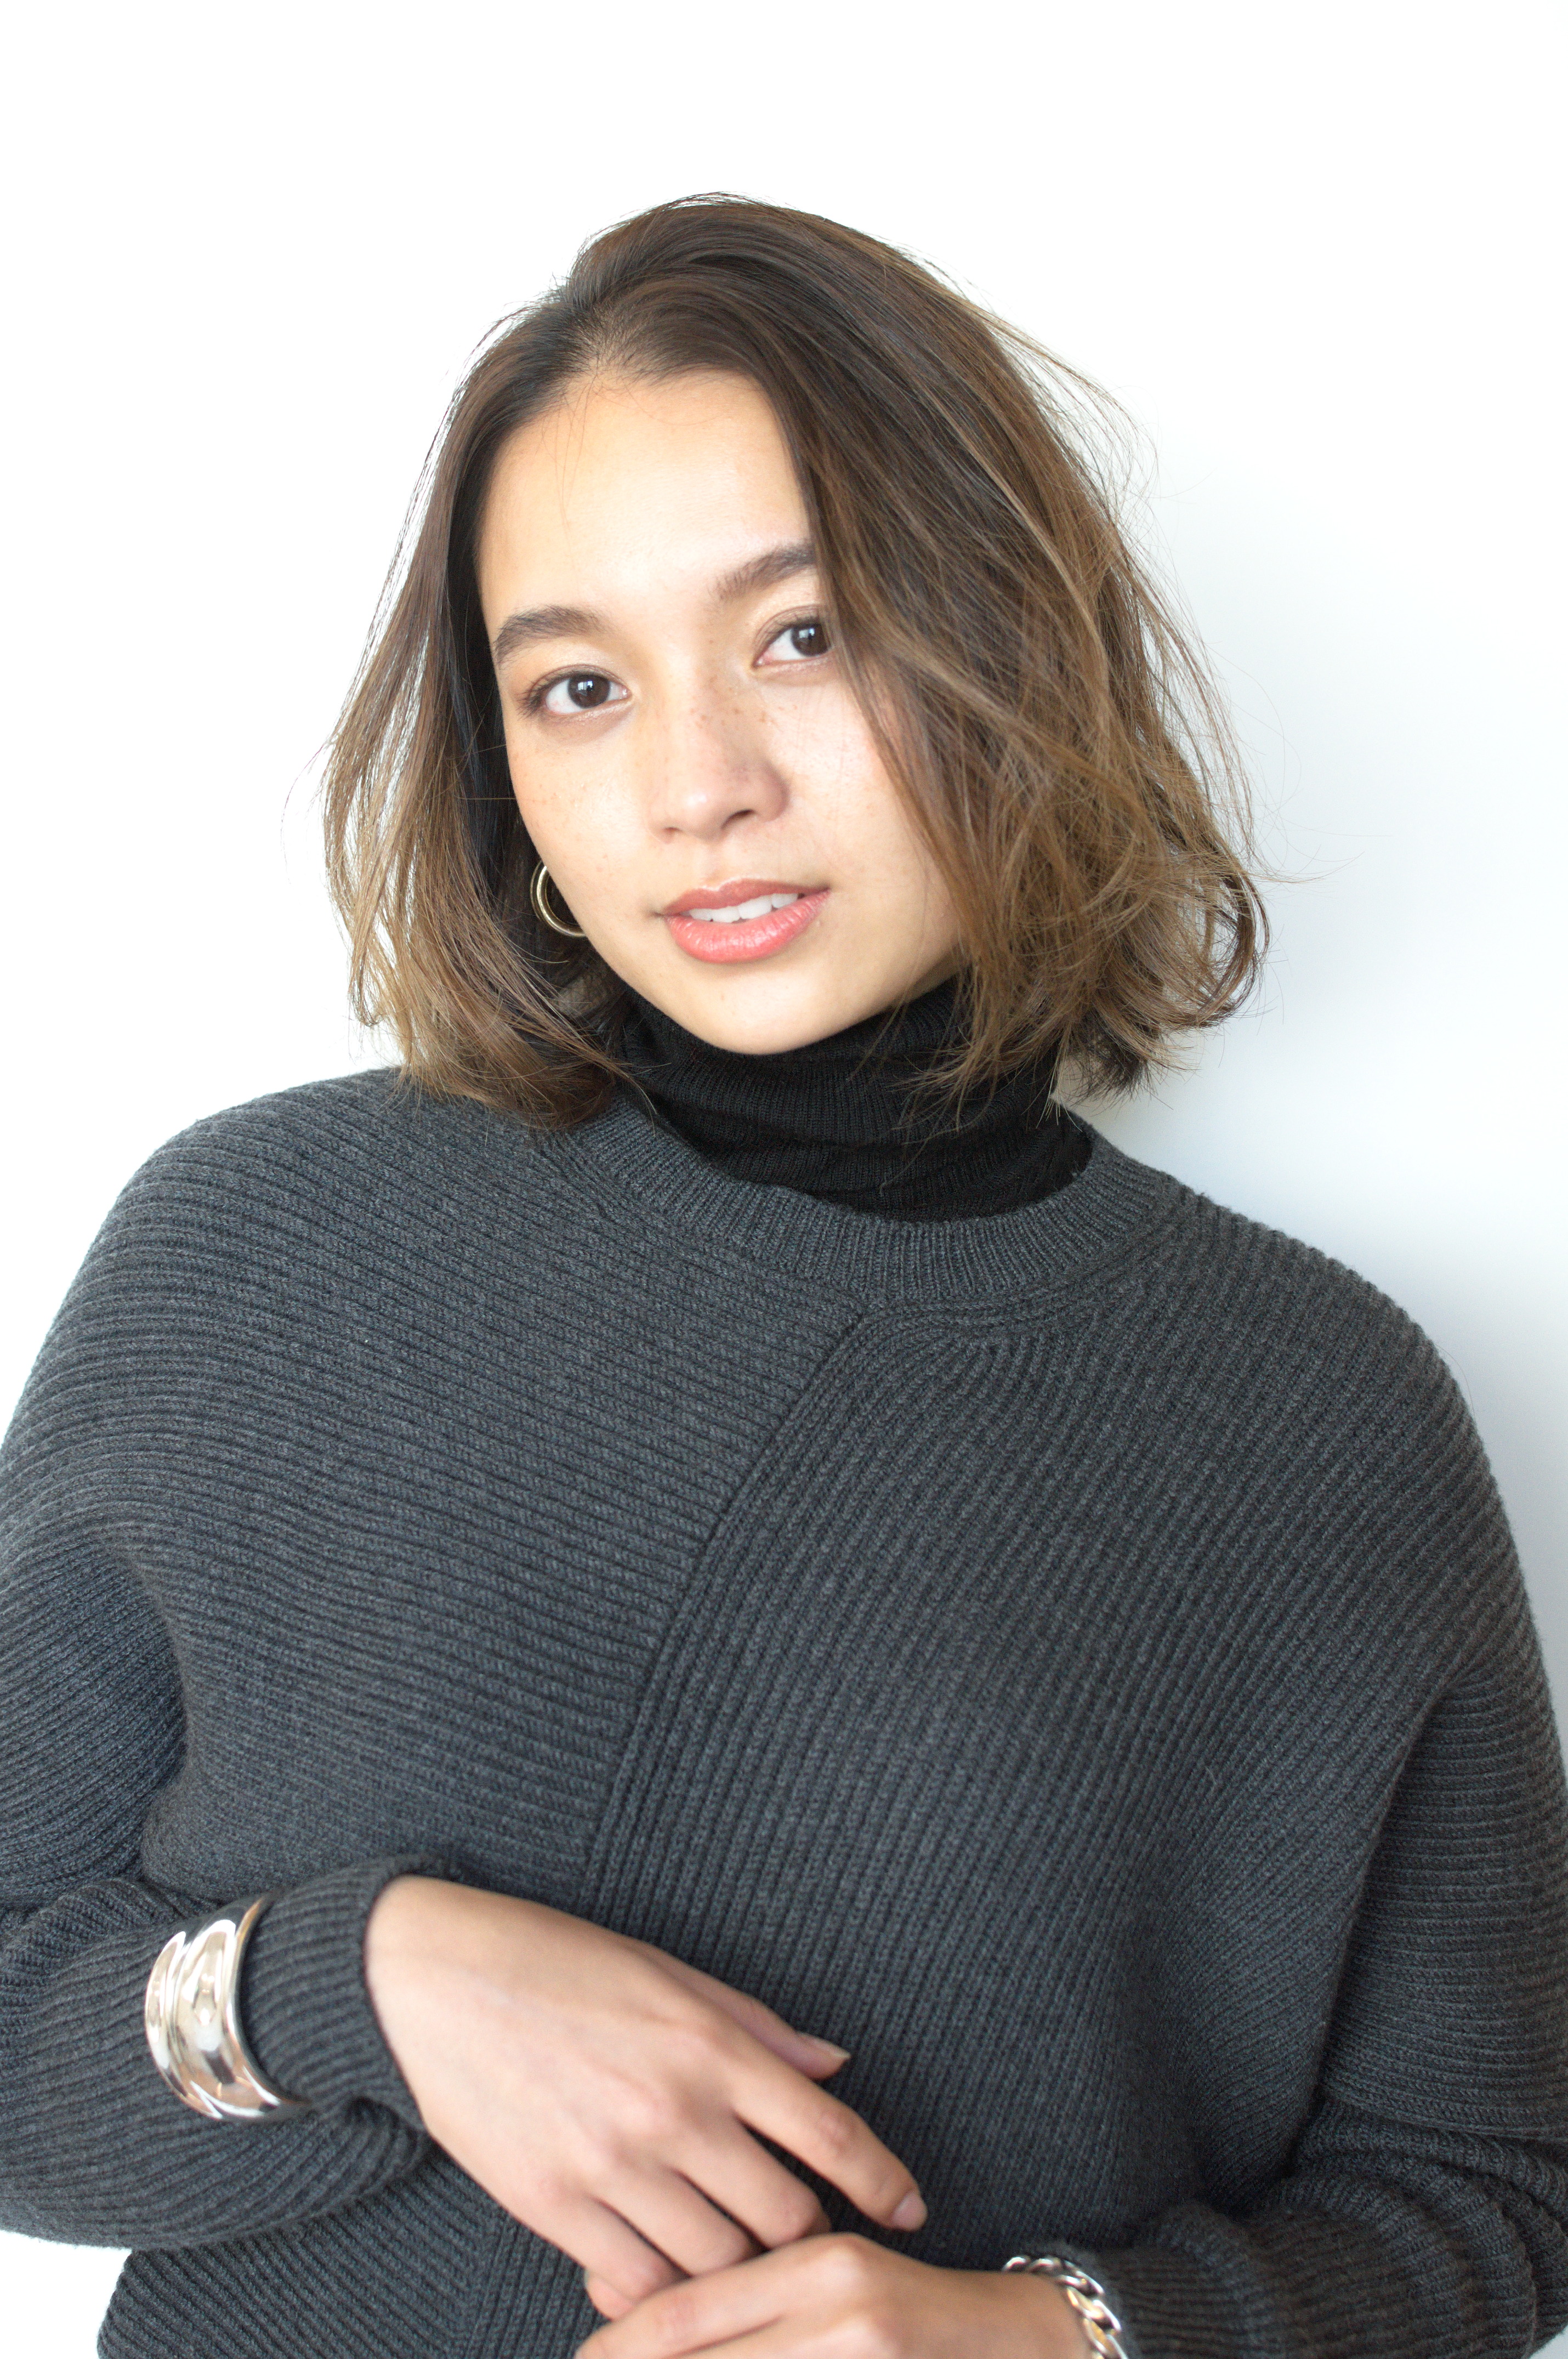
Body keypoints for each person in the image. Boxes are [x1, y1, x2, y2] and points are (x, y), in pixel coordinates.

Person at [1, 195, 1564, 2359]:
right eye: (577, 685)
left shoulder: (1315, 1411)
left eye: (803, 634)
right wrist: (341, 1980)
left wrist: (1052, 2336)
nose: (698, 786)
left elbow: (1489, 2193)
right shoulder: (257, 1253)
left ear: (1007, 643)